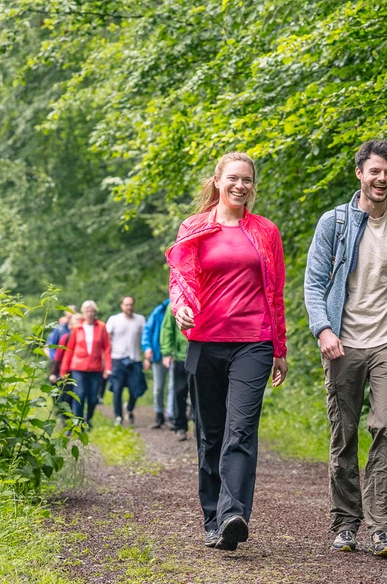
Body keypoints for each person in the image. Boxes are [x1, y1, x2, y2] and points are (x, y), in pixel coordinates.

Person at [304, 139, 387, 558]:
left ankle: (382, 528)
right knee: (344, 436)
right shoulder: (334, 223)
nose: (382, 179)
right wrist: (323, 329)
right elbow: (314, 283)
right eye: (375, 171)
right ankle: (345, 524)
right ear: (359, 173)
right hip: (342, 344)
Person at [166, 151, 289, 552]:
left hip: (253, 342)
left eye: (248, 180)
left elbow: (276, 291)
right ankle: (212, 518)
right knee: (211, 433)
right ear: (218, 181)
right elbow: (180, 279)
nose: (241, 186)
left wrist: (279, 346)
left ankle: (234, 514)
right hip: (205, 341)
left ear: (254, 186)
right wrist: (180, 306)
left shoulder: (266, 231)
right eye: (233, 178)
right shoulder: (195, 227)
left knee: (241, 431)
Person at [144, 294, 190, 439]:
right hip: (180, 356)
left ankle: (200, 427)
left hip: (202, 354)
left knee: (199, 393)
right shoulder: (173, 304)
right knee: (178, 391)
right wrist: (167, 352)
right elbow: (167, 329)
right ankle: (179, 426)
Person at [59, 300, 112, 425]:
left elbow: (107, 348)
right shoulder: (77, 328)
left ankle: (88, 419)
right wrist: (63, 370)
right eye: (87, 311)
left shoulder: (101, 327)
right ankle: (78, 421)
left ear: (95, 312)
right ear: (83, 313)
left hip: (96, 368)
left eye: (92, 311)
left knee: (93, 398)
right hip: (78, 367)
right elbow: (69, 350)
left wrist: (108, 367)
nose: (89, 313)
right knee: (80, 394)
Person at [105, 295, 148, 426]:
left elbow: (145, 339)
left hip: (135, 359)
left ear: (133, 305)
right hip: (117, 359)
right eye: (126, 304)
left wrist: (147, 356)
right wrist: (106, 360)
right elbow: (106, 340)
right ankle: (118, 416)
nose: (129, 307)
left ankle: (129, 408)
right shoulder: (114, 320)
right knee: (117, 389)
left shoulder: (140, 320)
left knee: (136, 389)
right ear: (121, 305)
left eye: (131, 304)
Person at [50, 312, 85, 416]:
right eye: (76, 321)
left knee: (78, 395)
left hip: (80, 370)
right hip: (66, 371)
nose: (78, 323)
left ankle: (77, 417)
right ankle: (65, 418)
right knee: (66, 396)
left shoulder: (85, 337)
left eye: (80, 321)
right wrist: (53, 372)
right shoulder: (66, 337)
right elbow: (58, 356)